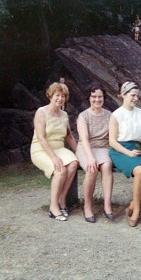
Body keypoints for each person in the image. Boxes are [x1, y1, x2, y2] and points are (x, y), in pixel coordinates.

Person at [30, 82, 78, 221]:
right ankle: (53, 207)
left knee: (74, 163)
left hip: (59, 148)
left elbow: (69, 136)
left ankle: (62, 200)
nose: (60, 98)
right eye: (57, 95)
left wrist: (80, 153)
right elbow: (41, 137)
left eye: (63, 96)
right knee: (60, 169)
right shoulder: (41, 112)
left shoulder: (64, 115)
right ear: (50, 96)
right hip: (41, 148)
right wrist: (54, 158)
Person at [109, 81, 141, 227]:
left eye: (137, 96)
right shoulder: (116, 115)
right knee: (140, 171)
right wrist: (128, 152)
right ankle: (137, 209)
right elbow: (112, 141)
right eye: (132, 95)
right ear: (123, 95)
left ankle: (132, 204)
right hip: (120, 150)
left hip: (137, 149)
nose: (135, 99)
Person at [76, 85, 113, 223]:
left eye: (100, 97)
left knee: (107, 165)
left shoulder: (109, 115)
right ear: (89, 98)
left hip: (103, 147)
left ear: (103, 98)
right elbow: (84, 139)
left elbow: (113, 136)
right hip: (86, 148)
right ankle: (87, 206)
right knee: (92, 169)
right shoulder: (83, 116)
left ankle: (107, 204)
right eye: (94, 97)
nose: (97, 99)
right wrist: (90, 157)